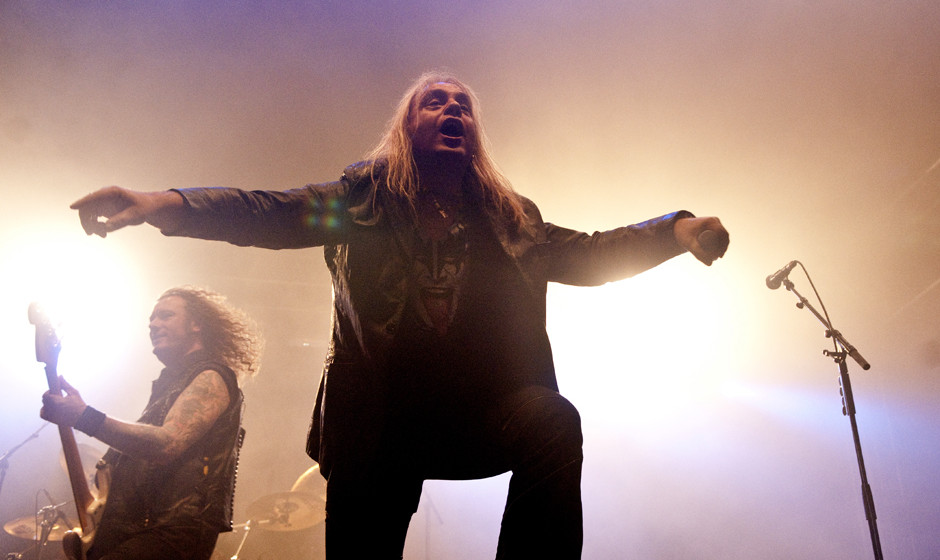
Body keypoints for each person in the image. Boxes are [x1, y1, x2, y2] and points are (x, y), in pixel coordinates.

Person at [69, 71, 729, 559]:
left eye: (463, 104)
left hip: (480, 414)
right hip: (378, 426)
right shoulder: (360, 205)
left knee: (553, 420)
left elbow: (590, 254)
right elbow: (269, 212)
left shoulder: (511, 220)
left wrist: (675, 230)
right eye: (434, 100)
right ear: (407, 128)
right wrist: (163, 204)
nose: (452, 108)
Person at [39, 286, 263, 560]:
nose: (154, 325)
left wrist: (84, 416)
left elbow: (168, 444)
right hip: (135, 532)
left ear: (196, 325)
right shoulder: (168, 388)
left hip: (170, 534)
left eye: (166, 316)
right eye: (151, 320)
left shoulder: (212, 376)